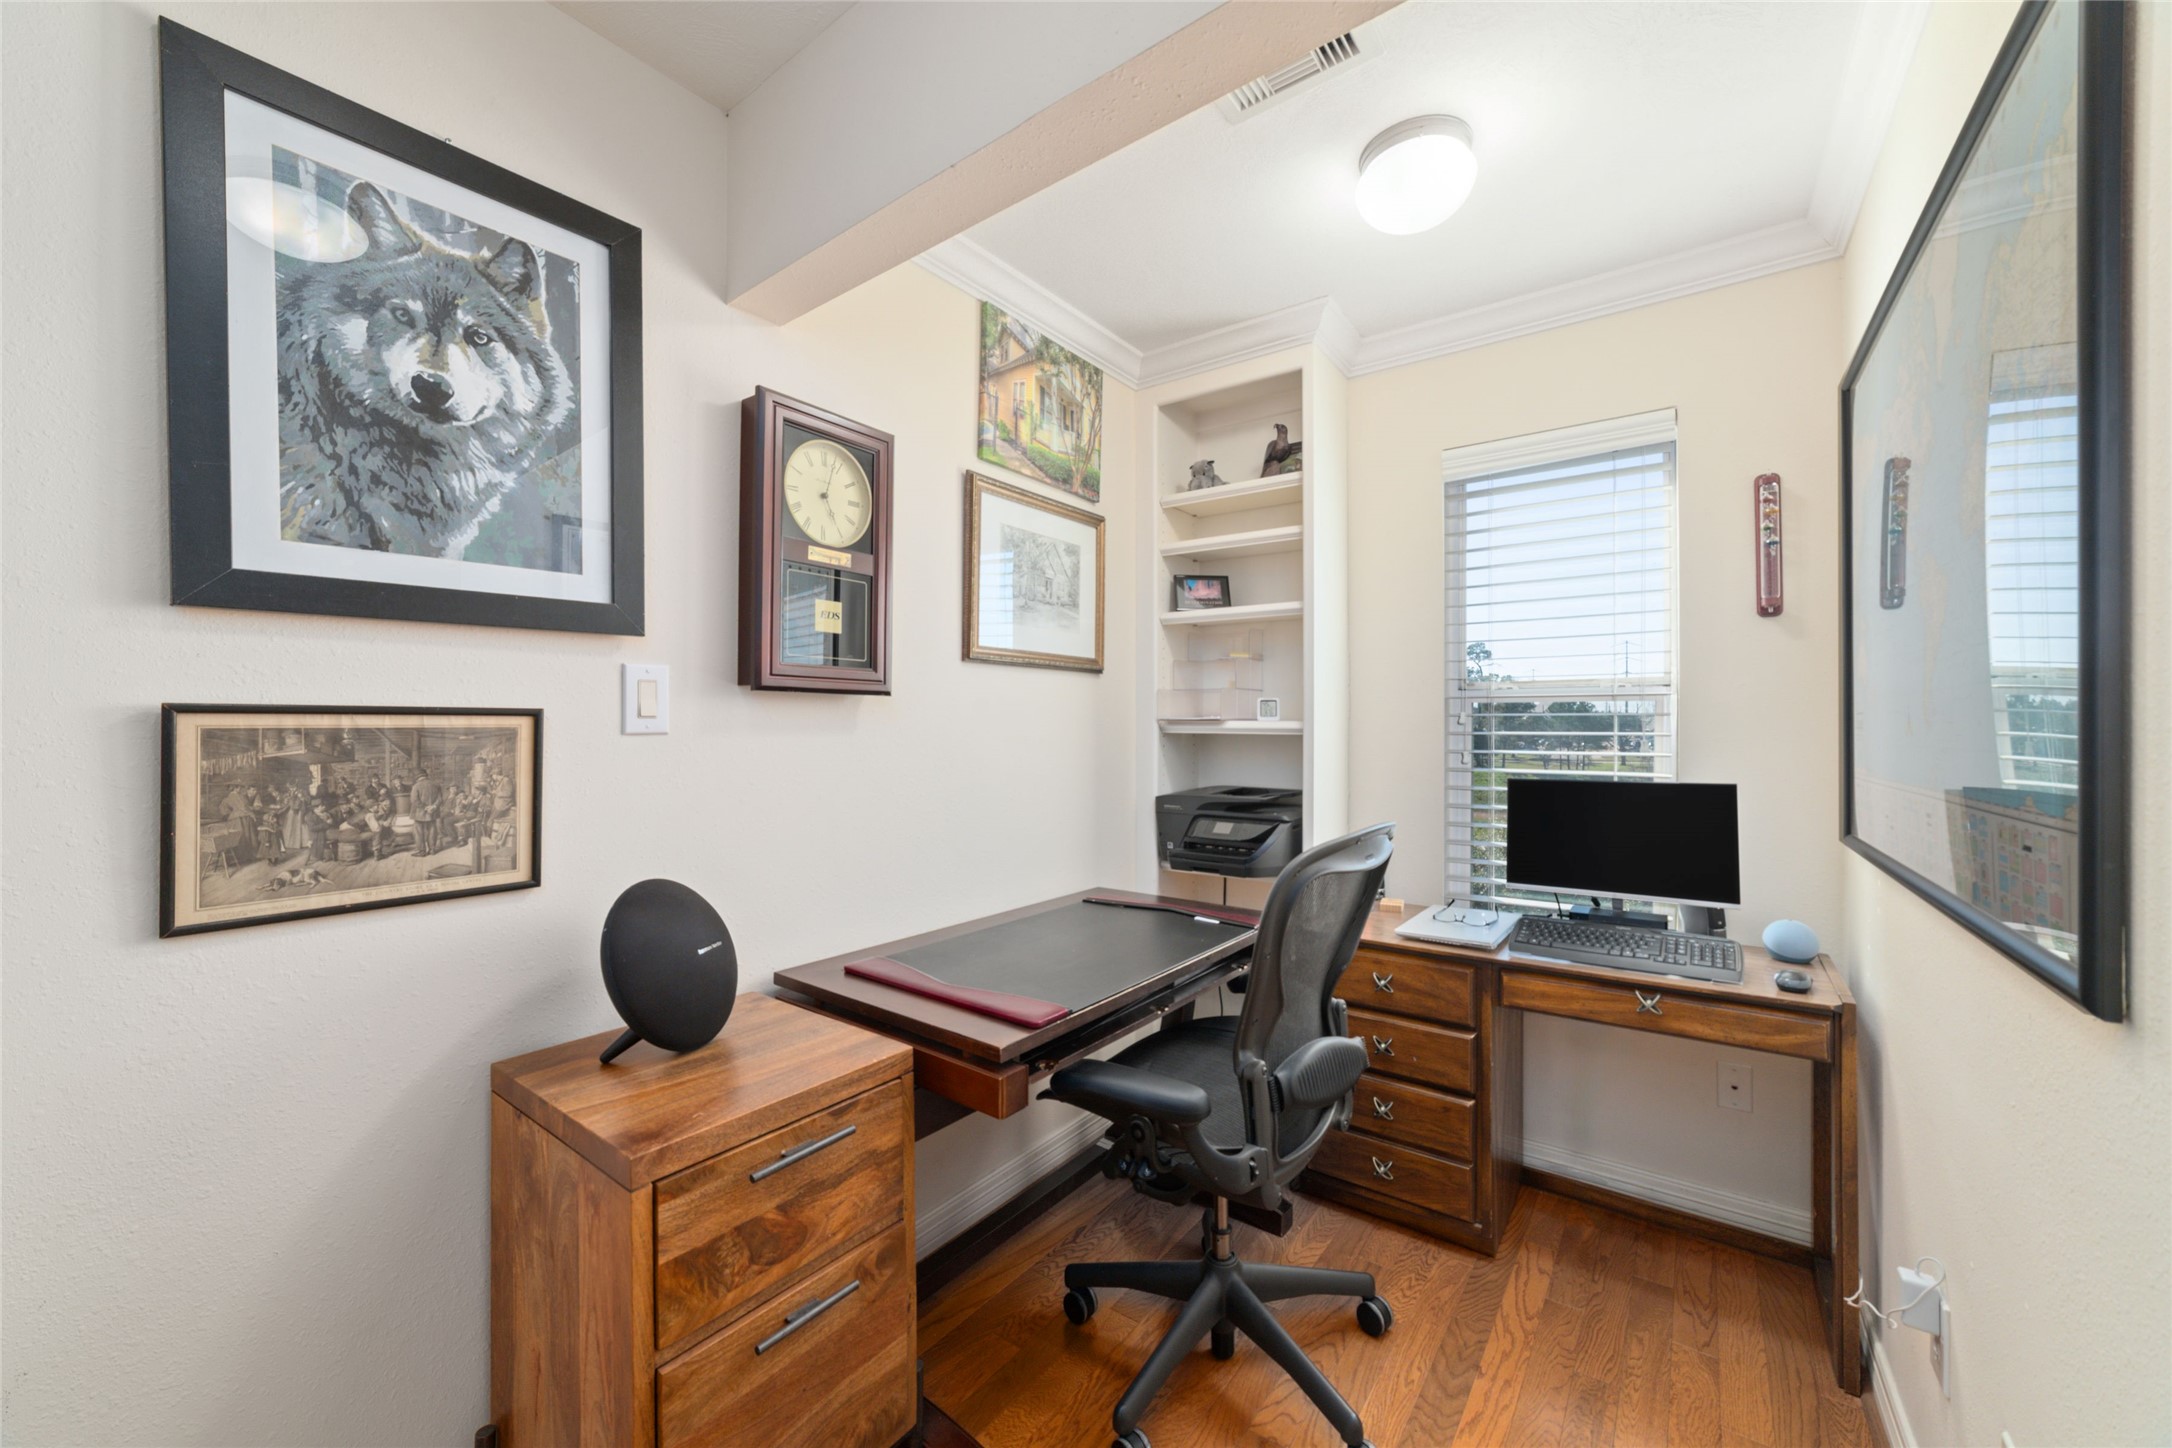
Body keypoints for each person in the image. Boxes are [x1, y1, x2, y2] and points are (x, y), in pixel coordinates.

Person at [410, 767, 442, 856]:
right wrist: (433, 807)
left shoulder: (416, 786)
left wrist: (425, 807)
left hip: (419, 813)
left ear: (417, 777)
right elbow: (440, 799)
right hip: (433, 812)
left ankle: (422, 851)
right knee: (432, 829)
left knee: (419, 831)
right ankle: (432, 849)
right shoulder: (436, 784)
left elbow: (414, 800)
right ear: (426, 775)